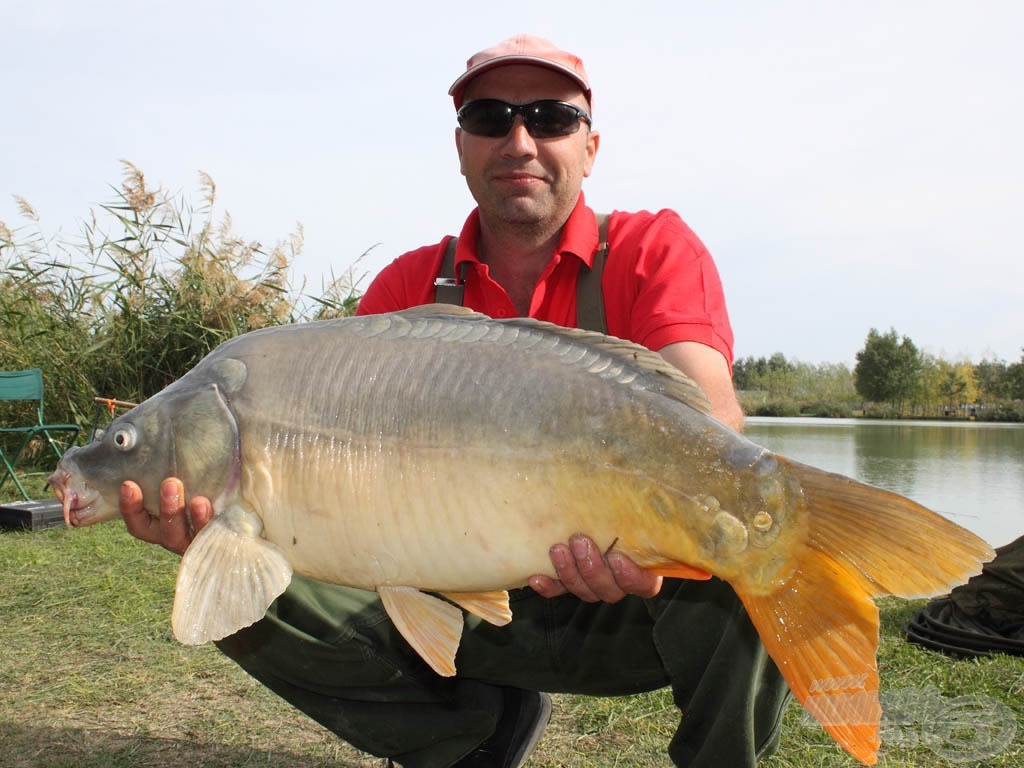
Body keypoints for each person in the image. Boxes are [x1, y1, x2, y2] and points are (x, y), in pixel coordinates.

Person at [120, 35, 791, 768]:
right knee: (249, 586)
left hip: (631, 597)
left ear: (590, 147)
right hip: (455, 593)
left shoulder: (652, 248)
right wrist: (225, 522)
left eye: (550, 118)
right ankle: (469, 736)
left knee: (754, 551)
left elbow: (711, 417)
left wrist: (655, 547)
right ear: (463, 146)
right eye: (491, 117)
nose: (520, 140)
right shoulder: (405, 293)